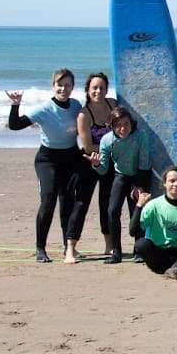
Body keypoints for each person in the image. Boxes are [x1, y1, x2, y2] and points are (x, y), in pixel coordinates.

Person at [6, 69, 86, 263]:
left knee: (67, 201)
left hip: (71, 157)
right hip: (47, 159)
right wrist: (15, 105)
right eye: (60, 84)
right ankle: (40, 249)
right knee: (48, 200)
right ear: (53, 86)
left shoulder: (76, 106)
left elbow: (88, 126)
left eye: (67, 85)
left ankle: (68, 248)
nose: (63, 88)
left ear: (72, 87)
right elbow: (15, 125)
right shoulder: (43, 109)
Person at [87, 106, 153, 264]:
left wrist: (139, 186)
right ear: (112, 126)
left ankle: (139, 250)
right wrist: (96, 164)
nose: (123, 128)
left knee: (136, 212)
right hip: (121, 176)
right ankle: (116, 252)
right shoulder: (107, 140)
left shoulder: (140, 136)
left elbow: (144, 163)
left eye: (126, 124)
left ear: (131, 123)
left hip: (140, 175)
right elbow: (103, 170)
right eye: (118, 125)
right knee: (112, 211)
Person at [76, 71, 119, 258]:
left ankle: (109, 245)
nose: (98, 91)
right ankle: (71, 245)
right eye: (94, 87)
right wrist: (109, 148)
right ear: (88, 90)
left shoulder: (113, 104)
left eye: (102, 87)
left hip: (109, 162)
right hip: (89, 161)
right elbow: (87, 146)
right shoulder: (84, 114)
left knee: (106, 204)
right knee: (81, 203)